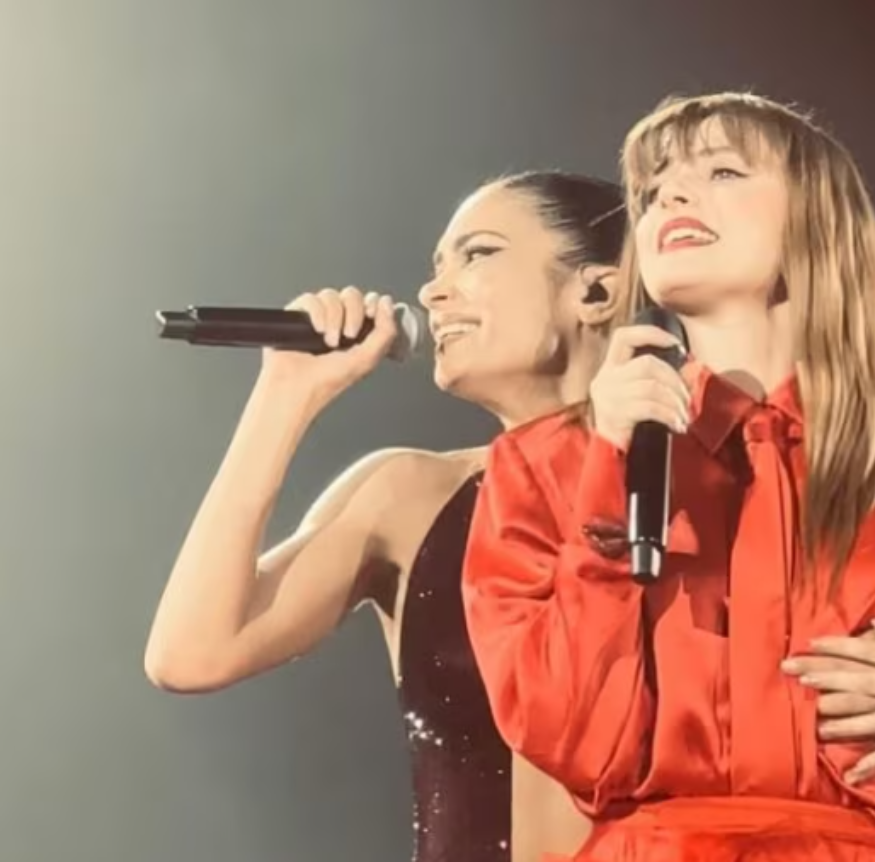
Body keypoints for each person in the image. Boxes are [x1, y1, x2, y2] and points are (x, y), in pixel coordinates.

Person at [461, 94, 875, 862]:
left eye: (721, 170)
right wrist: (609, 474)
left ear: (819, 218)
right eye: (652, 188)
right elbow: (569, 738)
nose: (670, 197)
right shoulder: (547, 464)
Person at [143, 171, 627, 862]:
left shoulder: (697, 492)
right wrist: (285, 393)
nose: (432, 292)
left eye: (478, 254)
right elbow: (191, 652)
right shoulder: (407, 494)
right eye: (435, 266)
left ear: (598, 291)